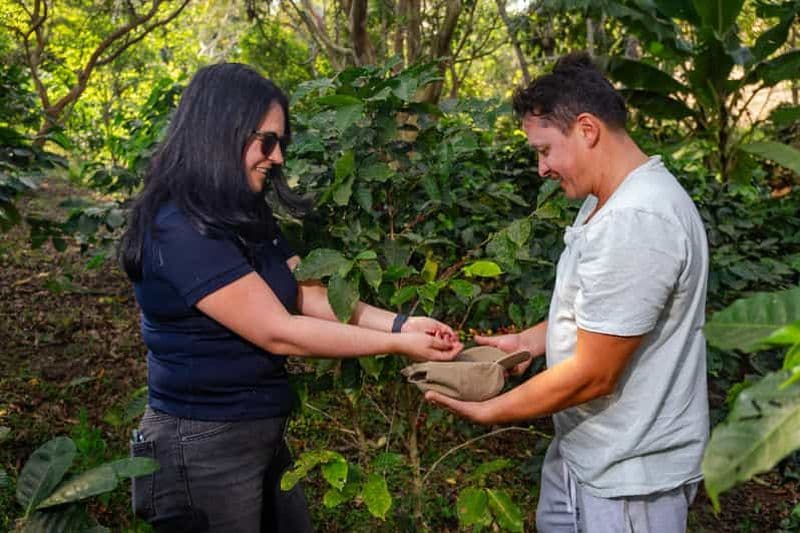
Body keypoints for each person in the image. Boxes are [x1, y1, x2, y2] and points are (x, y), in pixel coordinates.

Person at [118, 62, 462, 532]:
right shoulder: (177, 227)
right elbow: (280, 332)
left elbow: (307, 296)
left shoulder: (241, 210)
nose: (277, 157)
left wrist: (402, 324)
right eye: (267, 141)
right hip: (201, 443)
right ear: (221, 131)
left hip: (258, 430)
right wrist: (399, 346)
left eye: (281, 143)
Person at [425, 52, 709, 533]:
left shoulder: (637, 221)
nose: (541, 168)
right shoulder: (608, 201)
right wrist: (531, 341)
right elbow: (607, 315)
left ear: (587, 129)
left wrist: (491, 410)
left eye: (544, 150)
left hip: (627, 481)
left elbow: (593, 375)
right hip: (588, 455)